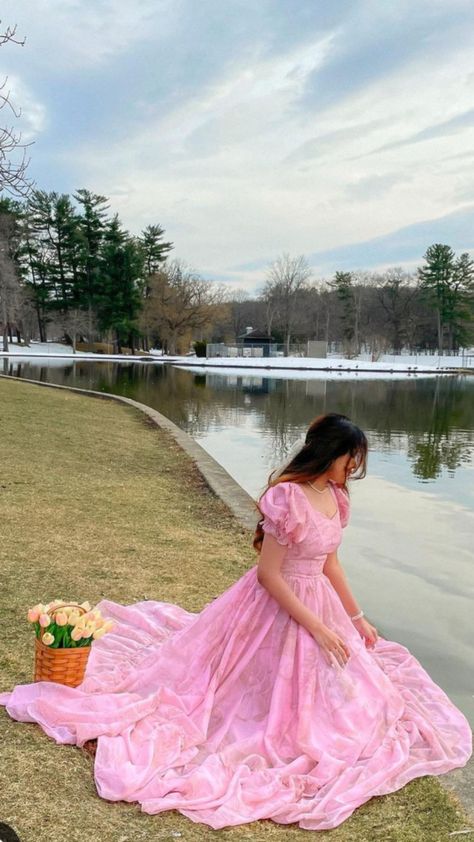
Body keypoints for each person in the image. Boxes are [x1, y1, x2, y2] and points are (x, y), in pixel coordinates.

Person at [0, 412, 471, 831]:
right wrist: (318, 627)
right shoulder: (288, 497)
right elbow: (269, 576)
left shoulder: (335, 496)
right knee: (248, 697)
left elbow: (330, 564)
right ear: (330, 453)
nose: (354, 469)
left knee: (354, 694)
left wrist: (355, 617)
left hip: (317, 598)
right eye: (351, 459)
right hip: (278, 602)